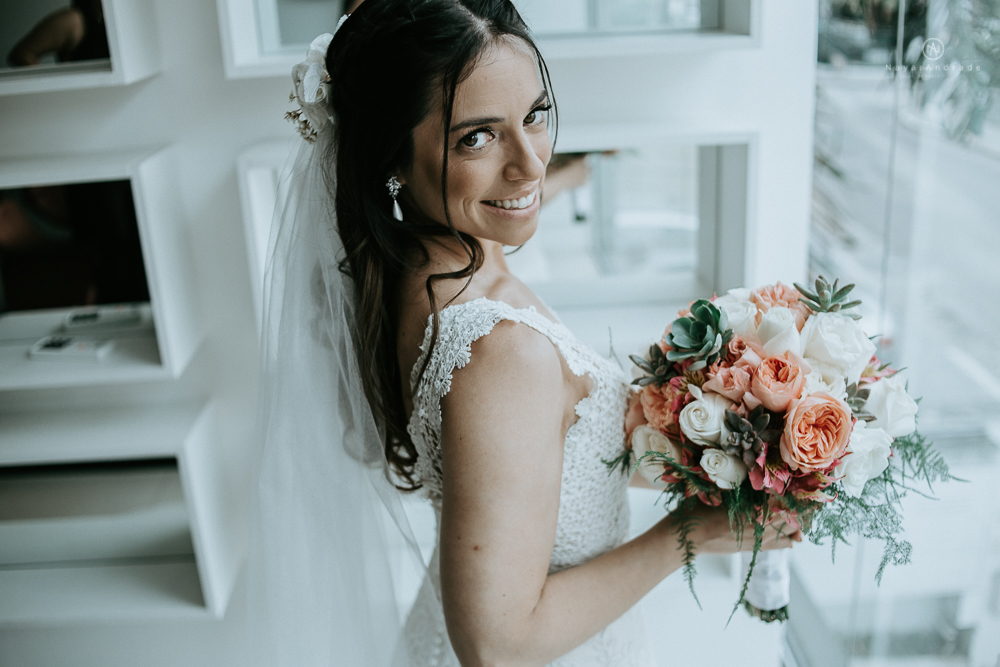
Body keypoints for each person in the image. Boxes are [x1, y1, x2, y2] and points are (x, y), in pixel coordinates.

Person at [250, 1, 801, 665]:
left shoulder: (401, 268)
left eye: (534, 115)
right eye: (475, 138)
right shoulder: (500, 349)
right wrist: (687, 534)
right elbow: (496, 646)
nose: (531, 165)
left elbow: (537, 460)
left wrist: (719, 439)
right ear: (392, 157)